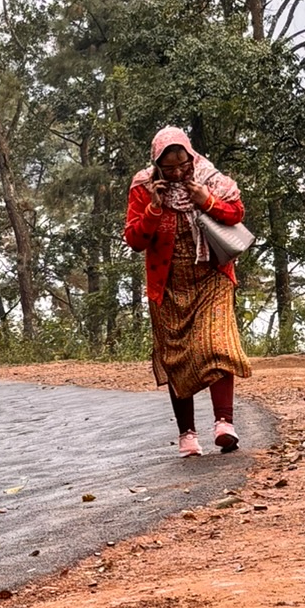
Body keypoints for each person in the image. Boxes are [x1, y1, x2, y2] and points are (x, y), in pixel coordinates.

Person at [123, 125, 251, 456]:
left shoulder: (209, 178)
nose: (178, 173)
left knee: (218, 344)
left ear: (191, 156)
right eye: (170, 168)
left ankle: (224, 424)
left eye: (183, 165)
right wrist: (154, 208)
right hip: (168, 284)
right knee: (177, 358)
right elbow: (134, 239)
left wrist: (206, 200)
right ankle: (187, 435)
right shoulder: (143, 187)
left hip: (211, 277)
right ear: (157, 165)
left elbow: (236, 213)